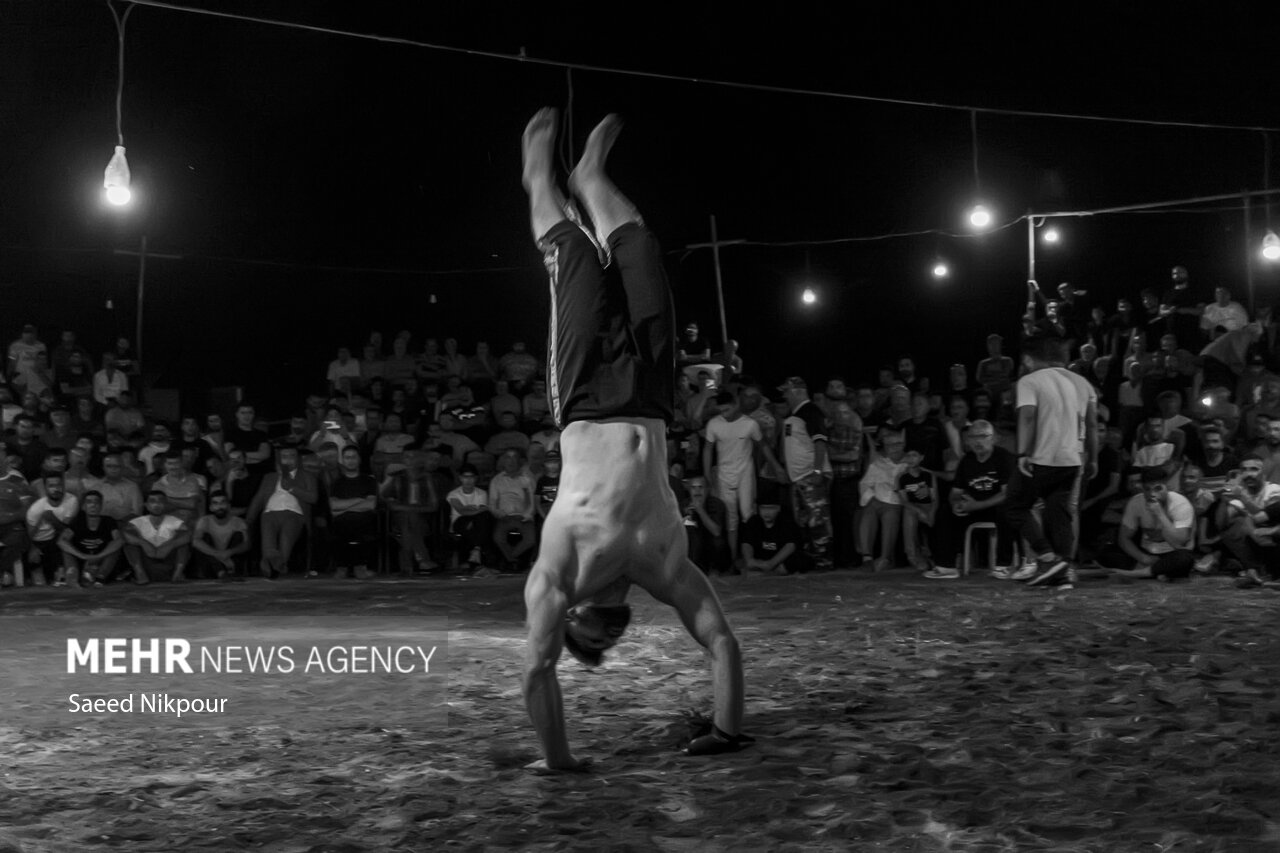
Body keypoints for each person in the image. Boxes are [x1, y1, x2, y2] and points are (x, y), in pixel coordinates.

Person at [520, 109, 746, 771]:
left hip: (585, 395)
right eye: (611, 633)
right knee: (639, 251)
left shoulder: (561, 567)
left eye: (596, 630)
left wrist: (557, 759)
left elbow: (536, 669)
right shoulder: (661, 561)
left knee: (572, 257)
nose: (613, 624)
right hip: (651, 397)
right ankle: (590, 175)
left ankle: (537, 172)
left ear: (576, 616)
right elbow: (722, 643)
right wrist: (726, 730)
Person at [1004, 334, 1098, 587]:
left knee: (1014, 505)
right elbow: (1091, 424)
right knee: (1060, 514)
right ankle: (1064, 572)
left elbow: (1027, 417)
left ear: (1027, 359)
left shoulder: (1029, 381)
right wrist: (1093, 459)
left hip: (1041, 458)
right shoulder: (1081, 383)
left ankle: (1046, 556)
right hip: (1072, 459)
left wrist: (1022, 453)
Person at [1111, 468, 1196, 581]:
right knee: (1109, 554)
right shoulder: (1136, 502)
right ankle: (1156, 572)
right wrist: (1144, 558)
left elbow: (1180, 542)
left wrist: (1160, 514)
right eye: (1147, 489)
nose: (1152, 494)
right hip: (1147, 553)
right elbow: (1123, 538)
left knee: (1184, 559)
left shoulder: (1180, 503)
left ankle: (1141, 573)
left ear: (1167, 487)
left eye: (1158, 489)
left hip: (1173, 554)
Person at [122, 490, 191, 583]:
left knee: (184, 546)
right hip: (147, 562)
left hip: (168, 561)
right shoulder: (137, 522)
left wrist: (170, 545)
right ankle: (140, 575)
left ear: (166, 504)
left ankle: (178, 574)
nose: (157, 505)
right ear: (146, 505)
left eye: (160, 501)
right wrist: (144, 543)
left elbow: (187, 536)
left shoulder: (175, 521)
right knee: (130, 546)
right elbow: (127, 536)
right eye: (152, 501)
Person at [57, 490, 123, 586]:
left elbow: (119, 540)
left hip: (101, 559)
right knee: (66, 549)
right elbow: (61, 541)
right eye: (89, 502)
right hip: (82, 558)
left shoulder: (109, 521)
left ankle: (100, 577)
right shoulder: (77, 522)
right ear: (84, 506)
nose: (93, 505)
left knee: (115, 547)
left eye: (96, 502)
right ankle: (72, 574)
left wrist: (98, 557)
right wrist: (82, 556)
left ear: (101, 505)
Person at [191, 492, 251, 580]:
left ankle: (230, 571)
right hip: (210, 564)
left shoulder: (238, 521)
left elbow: (247, 544)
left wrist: (229, 552)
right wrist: (218, 555)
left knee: (238, 535)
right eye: (215, 503)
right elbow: (195, 541)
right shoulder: (204, 520)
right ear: (211, 508)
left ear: (229, 506)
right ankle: (221, 572)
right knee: (204, 537)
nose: (219, 506)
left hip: (231, 562)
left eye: (223, 502)